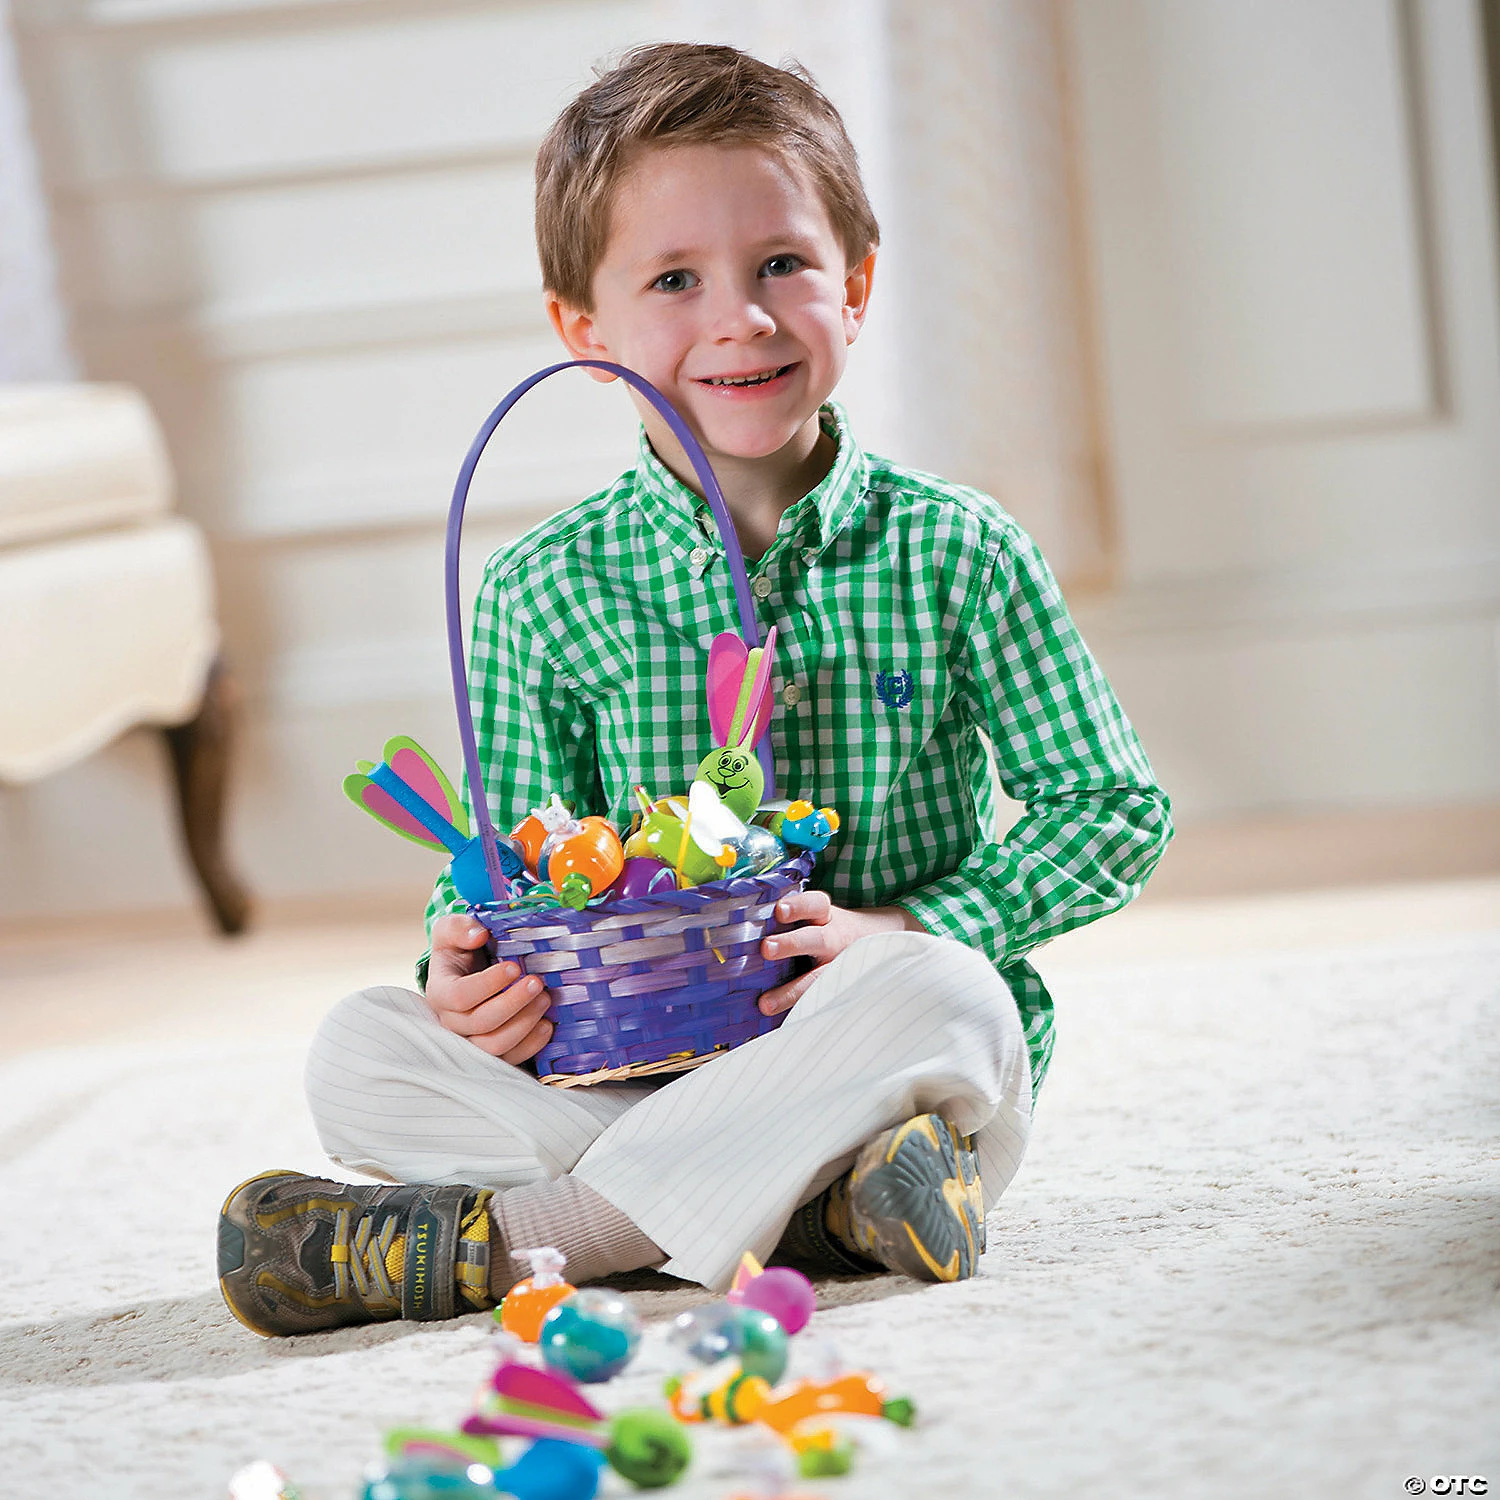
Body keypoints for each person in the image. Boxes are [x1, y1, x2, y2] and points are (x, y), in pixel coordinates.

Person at [216, 41, 1172, 1338]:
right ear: (583, 330)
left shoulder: (959, 549)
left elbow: (1111, 807)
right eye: (676, 279)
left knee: (958, 997)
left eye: (784, 262)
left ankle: (520, 1246)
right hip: (633, 1083)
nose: (744, 316)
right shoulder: (543, 592)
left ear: (858, 284)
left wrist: (914, 924)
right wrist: (465, 961)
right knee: (361, 1050)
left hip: (878, 1065)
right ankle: (822, 1220)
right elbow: (505, 855)